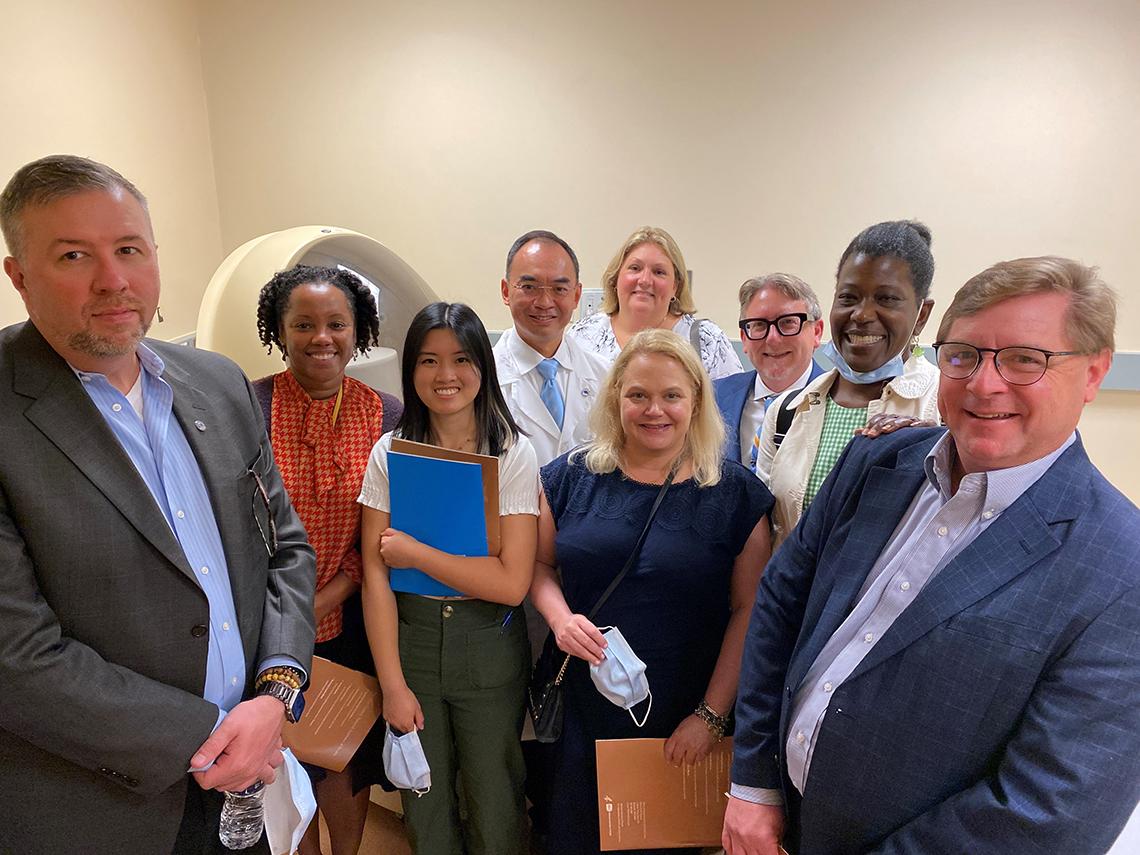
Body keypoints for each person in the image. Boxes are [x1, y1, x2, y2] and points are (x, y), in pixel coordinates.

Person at [724, 257, 1140, 855]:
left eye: (1026, 359)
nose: (983, 383)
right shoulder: (876, 464)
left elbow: (1048, 809)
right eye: (962, 354)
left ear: (1094, 373)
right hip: (779, 821)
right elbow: (780, 604)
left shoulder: (1118, 570)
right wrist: (755, 783)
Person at [0, 154, 316, 854]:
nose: (113, 279)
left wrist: (277, 692)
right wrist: (208, 735)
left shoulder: (219, 384)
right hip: (96, 805)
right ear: (18, 275)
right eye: (74, 255)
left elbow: (286, 549)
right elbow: (16, 656)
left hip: (248, 783)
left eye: (129, 249)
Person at [530, 328, 774, 855]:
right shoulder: (571, 476)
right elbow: (540, 565)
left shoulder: (734, 493)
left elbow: (748, 610)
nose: (653, 410)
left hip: (678, 714)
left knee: (662, 839)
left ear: (696, 402)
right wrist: (559, 618)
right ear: (616, 396)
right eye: (638, 394)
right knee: (575, 835)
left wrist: (710, 716)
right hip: (582, 703)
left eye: (671, 396)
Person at [358, 302, 539, 854]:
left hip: (488, 645)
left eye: (461, 359)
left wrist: (416, 552)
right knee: (424, 798)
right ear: (411, 371)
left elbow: (511, 584)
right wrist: (392, 685)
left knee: (495, 797)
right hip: (410, 644)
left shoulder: (511, 452)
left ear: (482, 366)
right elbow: (374, 573)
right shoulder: (390, 452)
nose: (445, 376)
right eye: (429, 361)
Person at [253, 263, 403, 855]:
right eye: (304, 324)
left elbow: (387, 531)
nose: (322, 338)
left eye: (337, 324)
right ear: (279, 330)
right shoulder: (248, 405)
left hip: (358, 616)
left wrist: (330, 596)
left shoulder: (386, 413)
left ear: (358, 329)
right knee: (284, 751)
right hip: (265, 619)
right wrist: (292, 611)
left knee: (346, 754)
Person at [755, 220, 938, 547]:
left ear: (921, 314)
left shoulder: (944, 411)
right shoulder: (787, 411)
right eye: (849, 297)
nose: (862, 315)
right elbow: (769, 537)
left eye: (887, 299)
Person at [494, 229, 610, 468]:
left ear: (576, 295)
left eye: (559, 289)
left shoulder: (605, 375)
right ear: (506, 291)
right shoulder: (482, 380)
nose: (545, 302)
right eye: (529, 287)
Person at [568, 225, 742, 380]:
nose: (644, 280)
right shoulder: (583, 335)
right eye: (635, 268)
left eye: (659, 272)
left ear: (675, 286)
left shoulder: (707, 341)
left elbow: (730, 410)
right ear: (615, 278)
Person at [714, 273, 825, 465]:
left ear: (816, 332)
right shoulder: (711, 398)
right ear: (744, 338)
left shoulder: (842, 402)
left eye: (788, 322)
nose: (772, 338)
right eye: (759, 325)